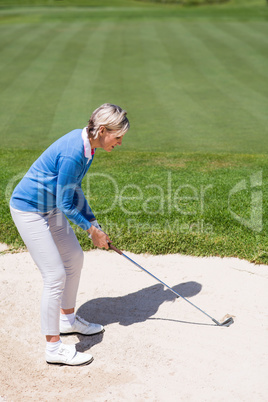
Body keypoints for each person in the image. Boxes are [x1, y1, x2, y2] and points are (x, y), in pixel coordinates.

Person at [10, 103, 130, 366]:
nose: (120, 143)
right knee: (55, 275)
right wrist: (90, 231)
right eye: (118, 137)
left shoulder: (88, 147)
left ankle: (67, 320)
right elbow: (66, 204)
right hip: (29, 209)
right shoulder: (74, 152)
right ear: (101, 130)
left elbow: (73, 190)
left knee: (74, 258)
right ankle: (53, 348)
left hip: (49, 206)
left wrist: (93, 223)